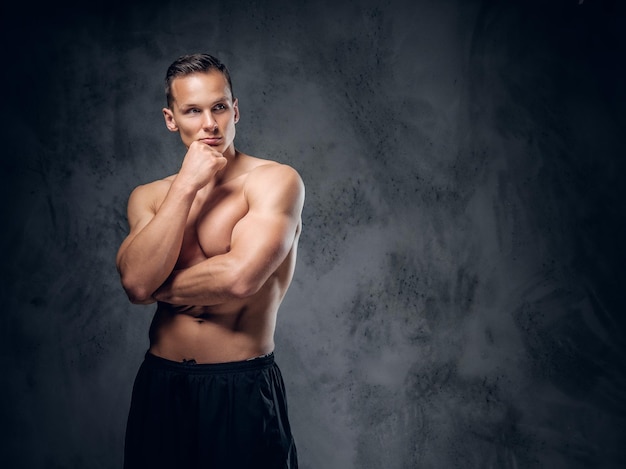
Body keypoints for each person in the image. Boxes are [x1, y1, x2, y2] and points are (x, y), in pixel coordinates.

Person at [116, 53, 304, 469]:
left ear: (235, 109)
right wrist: (186, 184)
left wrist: (156, 288)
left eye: (219, 107)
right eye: (193, 111)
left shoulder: (274, 181)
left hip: (241, 386)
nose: (210, 124)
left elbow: (239, 278)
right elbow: (134, 283)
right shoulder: (149, 196)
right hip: (161, 385)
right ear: (171, 119)